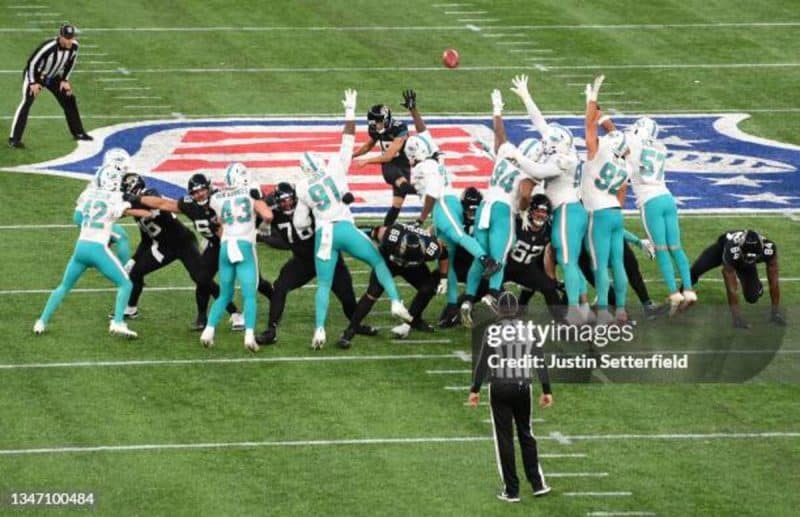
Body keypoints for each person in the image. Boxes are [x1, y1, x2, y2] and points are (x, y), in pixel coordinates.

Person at [294, 89, 413, 349]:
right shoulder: (335, 165)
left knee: (323, 285)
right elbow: (348, 140)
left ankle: (319, 330)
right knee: (378, 261)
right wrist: (350, 111)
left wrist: (313, 217)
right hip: (345, 228)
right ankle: (395, 301)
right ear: (321, 162)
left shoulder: (302, 187)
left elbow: (300, 223)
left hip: (324, 234)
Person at [134, 173, 272, 329]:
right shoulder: (190, 205)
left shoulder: (220, 200)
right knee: (201, 278)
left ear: (209, 188)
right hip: (214, 246)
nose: (199, 194)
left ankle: (273, 298)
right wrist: (136, 199)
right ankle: (202, 318)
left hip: (233, 242)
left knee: (256, 281)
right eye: (195, 192)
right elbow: (163, 204)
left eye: (202, 190)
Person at [508, 74, 590, 324]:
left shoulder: (562, 160)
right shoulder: (564, 148)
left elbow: (539, 171)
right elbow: (541, 124)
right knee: (554, 258)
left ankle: (577, 308)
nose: (547, 146)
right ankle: (578, 305)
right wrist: (526, 97)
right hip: (567, 209)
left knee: (568, 260)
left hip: (567, 211)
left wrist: (516, 157)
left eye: (551, 144)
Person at [254, 182, 377, 345]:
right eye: (282, 200)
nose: (287, 203)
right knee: (280, 287)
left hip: (326, 256)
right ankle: (271, 331)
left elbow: (332, 208)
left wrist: (344, 200)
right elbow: (257, 212)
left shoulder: (308, 207)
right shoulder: (273, 212)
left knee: (347, 296)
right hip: (303, 261)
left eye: (290, 199)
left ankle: (356, 325)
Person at [34, 165, 142, 338]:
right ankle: (118, 322)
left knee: (64, 286)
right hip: (98, 249)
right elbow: (130, 206)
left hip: (81, 247)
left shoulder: (88, 193)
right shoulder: (116, 196)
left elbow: (77, 218)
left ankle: (41, 321)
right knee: (125, 284)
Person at [460, 89, 538, 327]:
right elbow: (524, 194)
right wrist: (523, 209)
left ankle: (467, 301)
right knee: (499, 258)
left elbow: (499, 138)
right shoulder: (528, 168)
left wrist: (497, 110)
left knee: (481, 259)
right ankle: (492, 295)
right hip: (503, 211)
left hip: (485, 206)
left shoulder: (505, 154)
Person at [469, 292, 553, 503]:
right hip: (523, 385)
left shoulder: (493, 330)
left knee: (504, 438)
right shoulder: (529, 329)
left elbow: (483, 361)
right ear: (516, 310)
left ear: (499, 310)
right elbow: (540, 360)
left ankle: (512, 490)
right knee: (526, 433)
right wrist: (547, 390)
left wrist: (475, 389)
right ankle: (537, 484)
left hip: (499, 386)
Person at [405, 131, 500, 306]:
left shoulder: (424, 167)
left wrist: (420, 219)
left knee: (458, 236)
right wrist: (413, 110)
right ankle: (451, 306)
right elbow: (425, 133)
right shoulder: (434, 160)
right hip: (446, 204)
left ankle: (487, 260)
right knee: (446, 259)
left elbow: (433, 192)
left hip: (442, 204)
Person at [620, 116, 697, 313]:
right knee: (677, 248)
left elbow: (619, 148)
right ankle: (688, 290)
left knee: (661, 249)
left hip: (650, 201)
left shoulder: (632, 140)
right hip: (667, 198)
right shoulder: (661, 147)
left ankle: (674, 294)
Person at [200, 163, 273, 351]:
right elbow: (268, 215)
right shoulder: (250, 191)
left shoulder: (216, 197)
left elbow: (220, 221)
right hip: (244, 245)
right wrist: (262, 225)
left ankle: (208, 330)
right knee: (249, 295)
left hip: (225, 247)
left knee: (225, 294)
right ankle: (249, 336)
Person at [337, 223, 442, 348]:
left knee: (428, 288)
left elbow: (444, 255)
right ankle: (350, 330)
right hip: (388, 262)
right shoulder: (391, 235)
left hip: (413, 269)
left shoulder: (432, 247)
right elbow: (372, 232)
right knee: (373, 292)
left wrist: (445, 278)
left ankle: (415, 319)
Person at [581, 75, 630, 325]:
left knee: (600, 265)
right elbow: (622, 192)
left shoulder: (599, 153)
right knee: (617, 262)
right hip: (615, 213)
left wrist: (592, 99)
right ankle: (620, 309)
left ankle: (602, 310)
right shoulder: (626, 164)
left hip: (598, 214)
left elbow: (589, 127)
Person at [9, 23, 92, 149]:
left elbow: (71, 62)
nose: (70, 41)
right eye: (67, 38)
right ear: (60, 36)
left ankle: (78, 132)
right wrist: (32, 83)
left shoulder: (75, 46)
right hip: (36, 75)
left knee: (69, 99)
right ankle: (14, 139)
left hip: (53, 76)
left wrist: (64, 80)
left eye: (71, 37)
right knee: (27, 102)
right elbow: (31, 63)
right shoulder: (48, 47)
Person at [690, 230, 784, 328]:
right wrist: (736, 318)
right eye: (748, 257)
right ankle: (681, 294)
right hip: (722, 249)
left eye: (753, 258)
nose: (750, 260)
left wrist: (775, 312)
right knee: (695, 270)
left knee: (752, 298)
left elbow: (774, 282)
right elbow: (731, 289)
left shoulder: (769, 249)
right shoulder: (732, 249)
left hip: (742, 259)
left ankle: (756, 285)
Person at [352, 94, 414, 226]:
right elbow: (369, 145)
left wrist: (366, 161)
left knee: (397, 204)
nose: (374, 125)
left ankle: (386, 228)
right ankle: (427, 193)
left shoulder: (399, 128)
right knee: (404, 186)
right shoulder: (376, 129)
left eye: (377, 122)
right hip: (389, 166)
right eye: (373, 122)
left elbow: (389, 155)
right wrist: (353, 155)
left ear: (386, 120)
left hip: (403, 164)